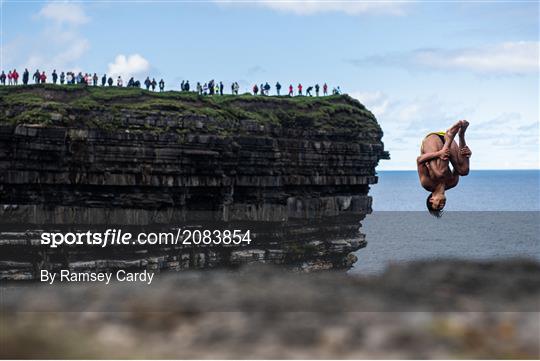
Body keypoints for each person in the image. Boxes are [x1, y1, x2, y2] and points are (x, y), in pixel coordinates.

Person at [417, 120, 472, 217]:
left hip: (432, 141)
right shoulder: (452, 183)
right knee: (464, 171)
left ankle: (450, 136)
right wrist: (467, 154)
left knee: (439, 174)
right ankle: (461, 134)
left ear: (431, 199)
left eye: (437, 206)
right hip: (447, 142)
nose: (441, 205)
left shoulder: (427, 184)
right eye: (442, 207)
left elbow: (419, 160)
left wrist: (438, 153)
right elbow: (460, 163)